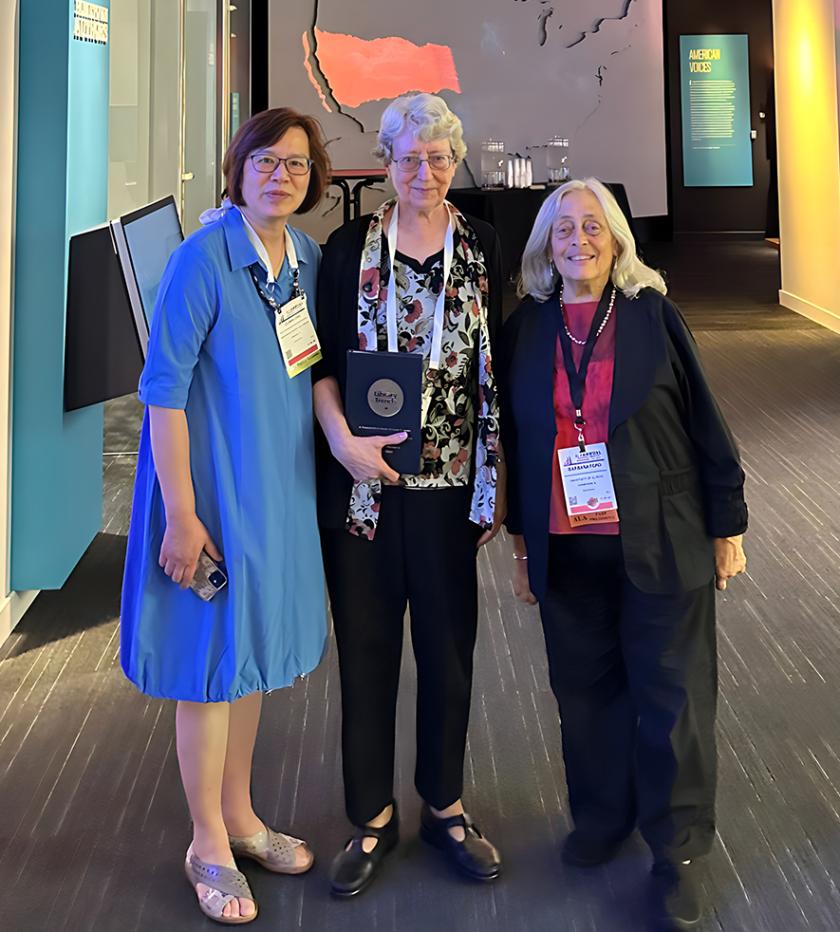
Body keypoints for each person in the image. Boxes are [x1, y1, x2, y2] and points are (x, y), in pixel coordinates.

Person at [498, 178, 747, 929]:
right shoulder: (527, 327)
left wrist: (725, 525)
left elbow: (705, 419)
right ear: (546, 245)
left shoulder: (652, 315)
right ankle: (602, 818)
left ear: (617, 240)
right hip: (566, 547)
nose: (579, 240)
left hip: (662, 536)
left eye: (593, 227)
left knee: (672, 700)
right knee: (585, 697)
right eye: (564, 229)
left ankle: (680, 851)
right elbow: (516, 439)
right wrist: (519, 546)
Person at [120, 108, 331, 924]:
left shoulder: (302, 258)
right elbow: (161, 394)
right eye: (267, 162)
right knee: (210, 669)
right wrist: (180, 515)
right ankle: (206, 840)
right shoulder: (200, 261)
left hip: (276, 492)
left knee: (250, 662)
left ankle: (241, 817)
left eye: (299, 166)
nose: (283, 175)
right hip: (207, 494)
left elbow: (306, 366)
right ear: (238, 168)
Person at [312, 92, 505, 896]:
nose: (423, 171)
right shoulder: (348, 244)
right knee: (366, 651)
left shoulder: (487, 246)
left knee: (447, 652)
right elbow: (317, 364)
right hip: (363, 488)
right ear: (385, 165)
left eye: (438, 157)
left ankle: (445, 806)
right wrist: (341, 441)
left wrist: (499, 481)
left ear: (455, 162)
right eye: (407, 158)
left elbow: (502, 371)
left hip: (448, 491)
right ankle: (371, 817)